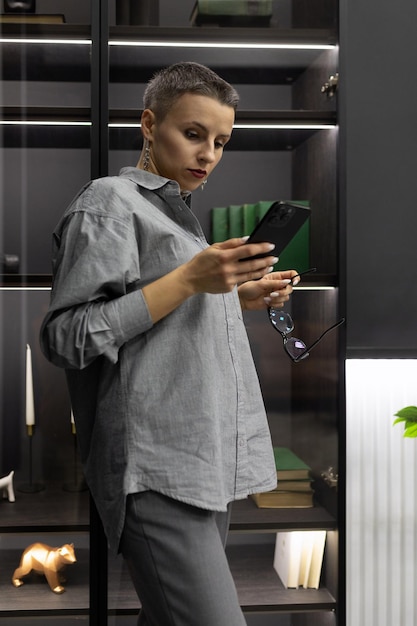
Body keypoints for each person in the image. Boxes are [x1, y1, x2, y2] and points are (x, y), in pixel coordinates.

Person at [40, 62, 301, 626]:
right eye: (193, 133)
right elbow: (66, 337)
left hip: (205, 460)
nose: (208, 153)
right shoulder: (109, 202)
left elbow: (164, 319)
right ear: (148, 124)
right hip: (155, 468)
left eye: (221, 142)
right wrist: (190, 280)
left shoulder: (181, 218)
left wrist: (237, 296)